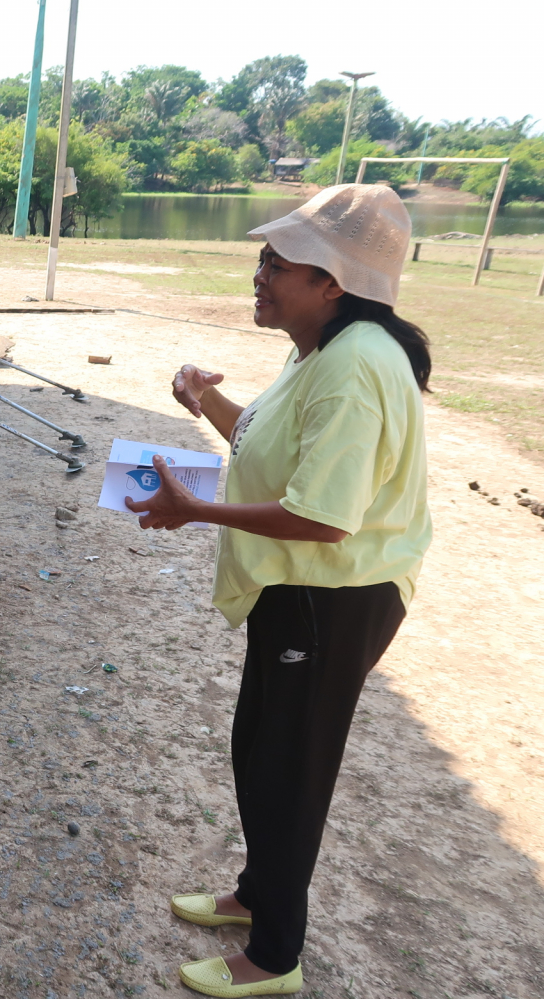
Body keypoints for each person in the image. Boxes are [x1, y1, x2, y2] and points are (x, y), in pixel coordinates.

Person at [125, 185, 432, 998]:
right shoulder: (322, 349)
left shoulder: (358, 365)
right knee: (259, 747)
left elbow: (325, 517)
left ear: (333, 281)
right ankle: (256, 896)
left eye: (277, 263)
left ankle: (276, 955)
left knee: (288, 771)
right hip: (298, 591)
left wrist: (196, 512)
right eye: (261, 258)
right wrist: (203, 399)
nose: (258, 274)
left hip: (334, 593)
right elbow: (268, 447)